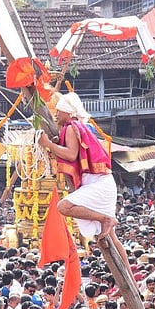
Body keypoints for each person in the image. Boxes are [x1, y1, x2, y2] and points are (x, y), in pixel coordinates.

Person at [37, 92, 118, 242]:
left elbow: (71, 155)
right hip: (102, 183)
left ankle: (105, 219)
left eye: (59, 111)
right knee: (112, 239)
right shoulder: (77, 127)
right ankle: (126, 267)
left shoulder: (70, 127)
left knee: (63, 207)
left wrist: (48, 144)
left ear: (69, 112)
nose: (56, 115)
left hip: (98, 184)